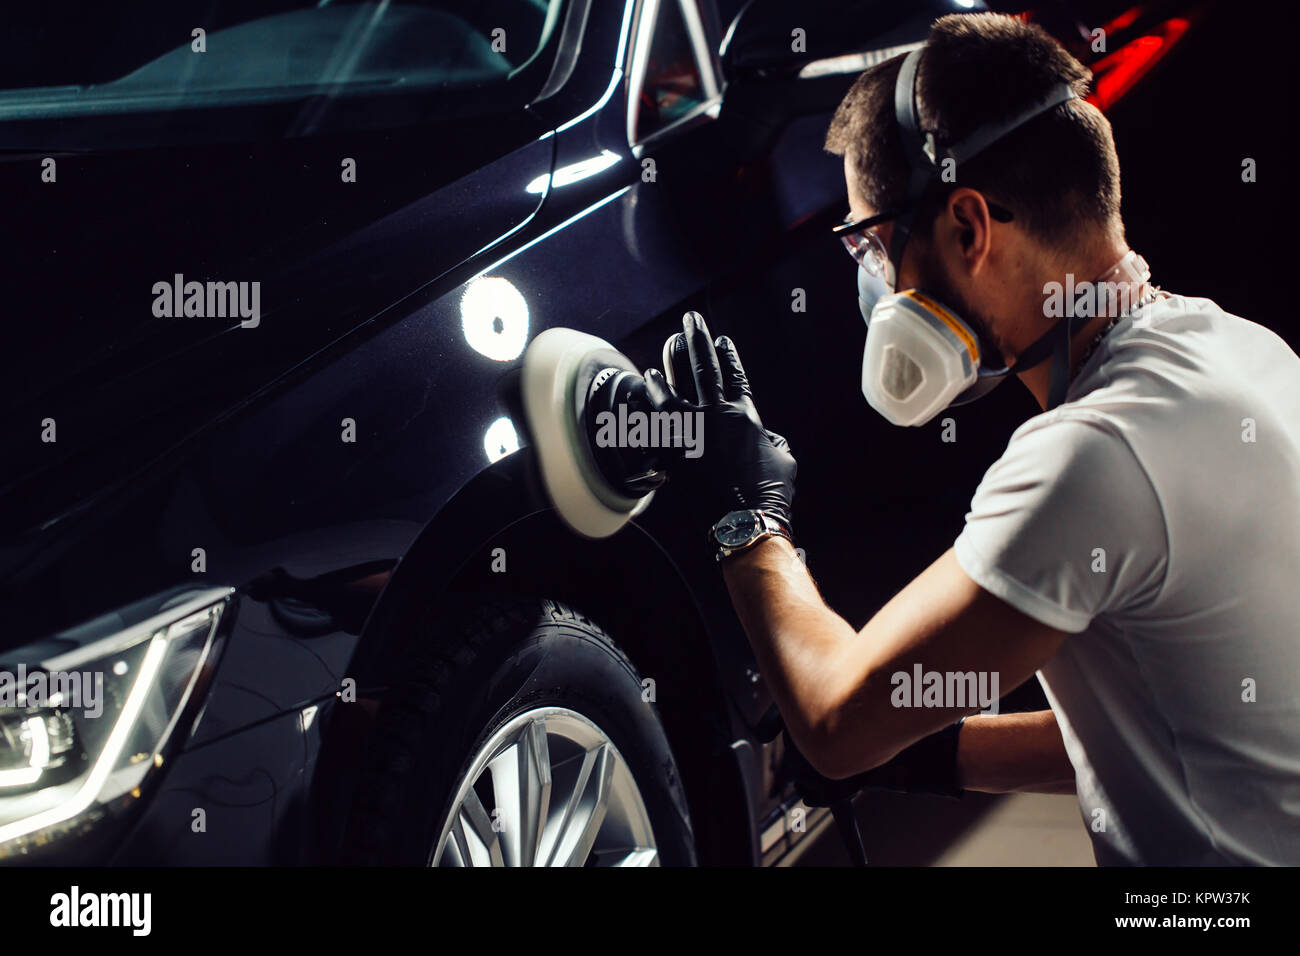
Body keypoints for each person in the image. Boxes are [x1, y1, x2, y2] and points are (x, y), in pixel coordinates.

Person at [645, 12, 1300, 866]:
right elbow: (1194, 733)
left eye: (874, 247)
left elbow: (836, 721)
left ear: (967, 228)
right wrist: (925, 756)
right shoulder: (1249, 355)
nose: (876, 288)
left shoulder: (1091, 457)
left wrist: (747, 518)